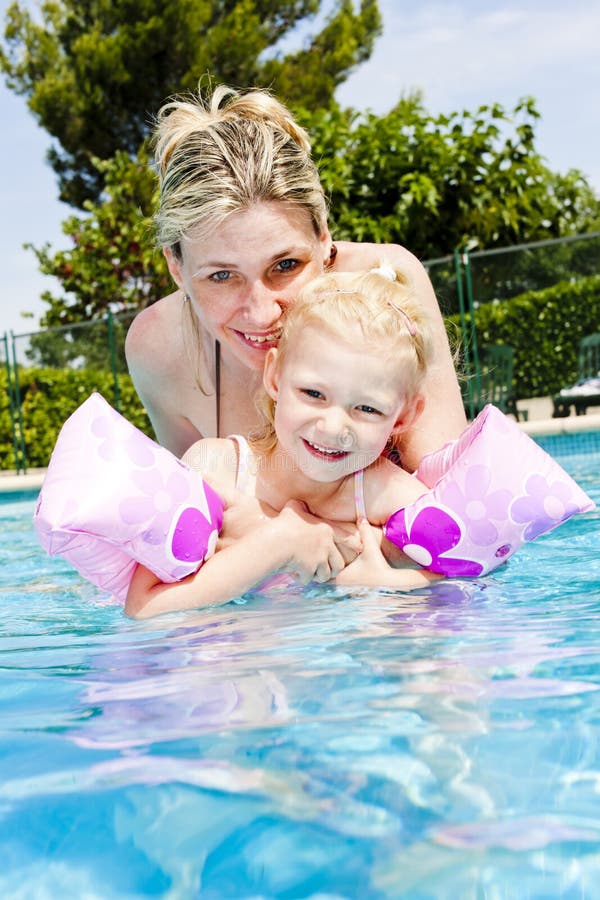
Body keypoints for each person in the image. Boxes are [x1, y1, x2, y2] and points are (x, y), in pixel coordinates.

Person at [125, 83, 466, 475]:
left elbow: (447, 505)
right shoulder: (158, 349)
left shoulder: (387, 283)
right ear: (176, 268)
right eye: (221, 275)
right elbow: (195, 518)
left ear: (323, 237)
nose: (261, 313)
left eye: (285, 266)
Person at [125, 265, 443, 619]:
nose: (333, 426)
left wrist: (378, 583)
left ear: (402, 417)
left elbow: (457, 589)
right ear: (274, 376)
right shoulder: (219, 471)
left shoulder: (388, 497)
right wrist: (279, 544)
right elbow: (143, 607)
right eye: (313, 393)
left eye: (367, 408)